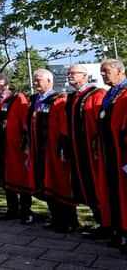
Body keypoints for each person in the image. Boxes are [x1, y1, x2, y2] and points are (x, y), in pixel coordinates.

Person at [26, 69, 76, 233]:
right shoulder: (36, 101)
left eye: (38, 80)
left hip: (55, 151)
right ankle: (56, 218)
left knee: (60, 184)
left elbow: (64, 126)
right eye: (34, 80)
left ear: (49, 81)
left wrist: (63, 146)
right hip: (40, 151)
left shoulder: (59, 100)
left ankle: (69, 221)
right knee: (46, 184)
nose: (35, 83)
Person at [63, 65, 107, 237]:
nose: (69, 76)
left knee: (97, 185)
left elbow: (100, 123)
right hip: (78, 150)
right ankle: (101, 223)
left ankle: (107, 224)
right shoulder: (74, 97)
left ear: (84, 75)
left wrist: (97, 145)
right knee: (86, 185)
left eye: (73, 73)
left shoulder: (96, 94)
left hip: (93, 151)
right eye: (68, 74)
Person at [0, 73, 33, 224]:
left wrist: (25, 143)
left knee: (21, 179)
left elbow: (25, 121)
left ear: (5, 84)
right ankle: (12, 210)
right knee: (6, 178)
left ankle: (26, 212)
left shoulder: (17, 98)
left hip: (16, 147)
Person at [96, 59, 127, 252]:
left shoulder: (125, 94)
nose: (103, 75)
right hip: (110, 153)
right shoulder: (111, 93)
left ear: (119, 70)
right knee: (114, 193)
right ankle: (118, 230)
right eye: (101, 72)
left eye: (106, 71)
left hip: (122, 153)